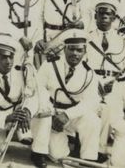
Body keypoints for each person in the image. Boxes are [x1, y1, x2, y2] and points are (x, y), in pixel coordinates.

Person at [0, 34, 47, 167]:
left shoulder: (22, 72)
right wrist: (6, 118)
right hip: (0, 122)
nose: (8, 62)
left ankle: (38, 153)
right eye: (3, 57)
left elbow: (35, 95)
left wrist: (27, 111)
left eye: (11, 57)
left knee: (44, 115)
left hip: (20, 119)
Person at [33, 29, 100, 164]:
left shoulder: (89, 73)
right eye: (71, 49)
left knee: (93, 120)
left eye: (79, 50)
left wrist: (67, 115)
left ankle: (88, 158)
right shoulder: (50, 64)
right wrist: (51, 111)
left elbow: (91, 102)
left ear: (85, 52)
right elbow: (37, 88)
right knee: (59, 156)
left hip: (71, 116)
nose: (75, 54)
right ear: (64, 49)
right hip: (51, 113)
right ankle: (37, 151)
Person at [87, 0, 125, 158]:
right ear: (95, 16)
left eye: (108, 14)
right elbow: (81, 65)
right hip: (90, 82)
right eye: (100, 13)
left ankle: (100, 149)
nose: (104, 16)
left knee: (108, 106)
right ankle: (84, 145)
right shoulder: (86, 38)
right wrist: (93, 83)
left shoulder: (123, 40)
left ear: (114, 18)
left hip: (113, 83)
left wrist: (115, 84)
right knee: (88, 106)